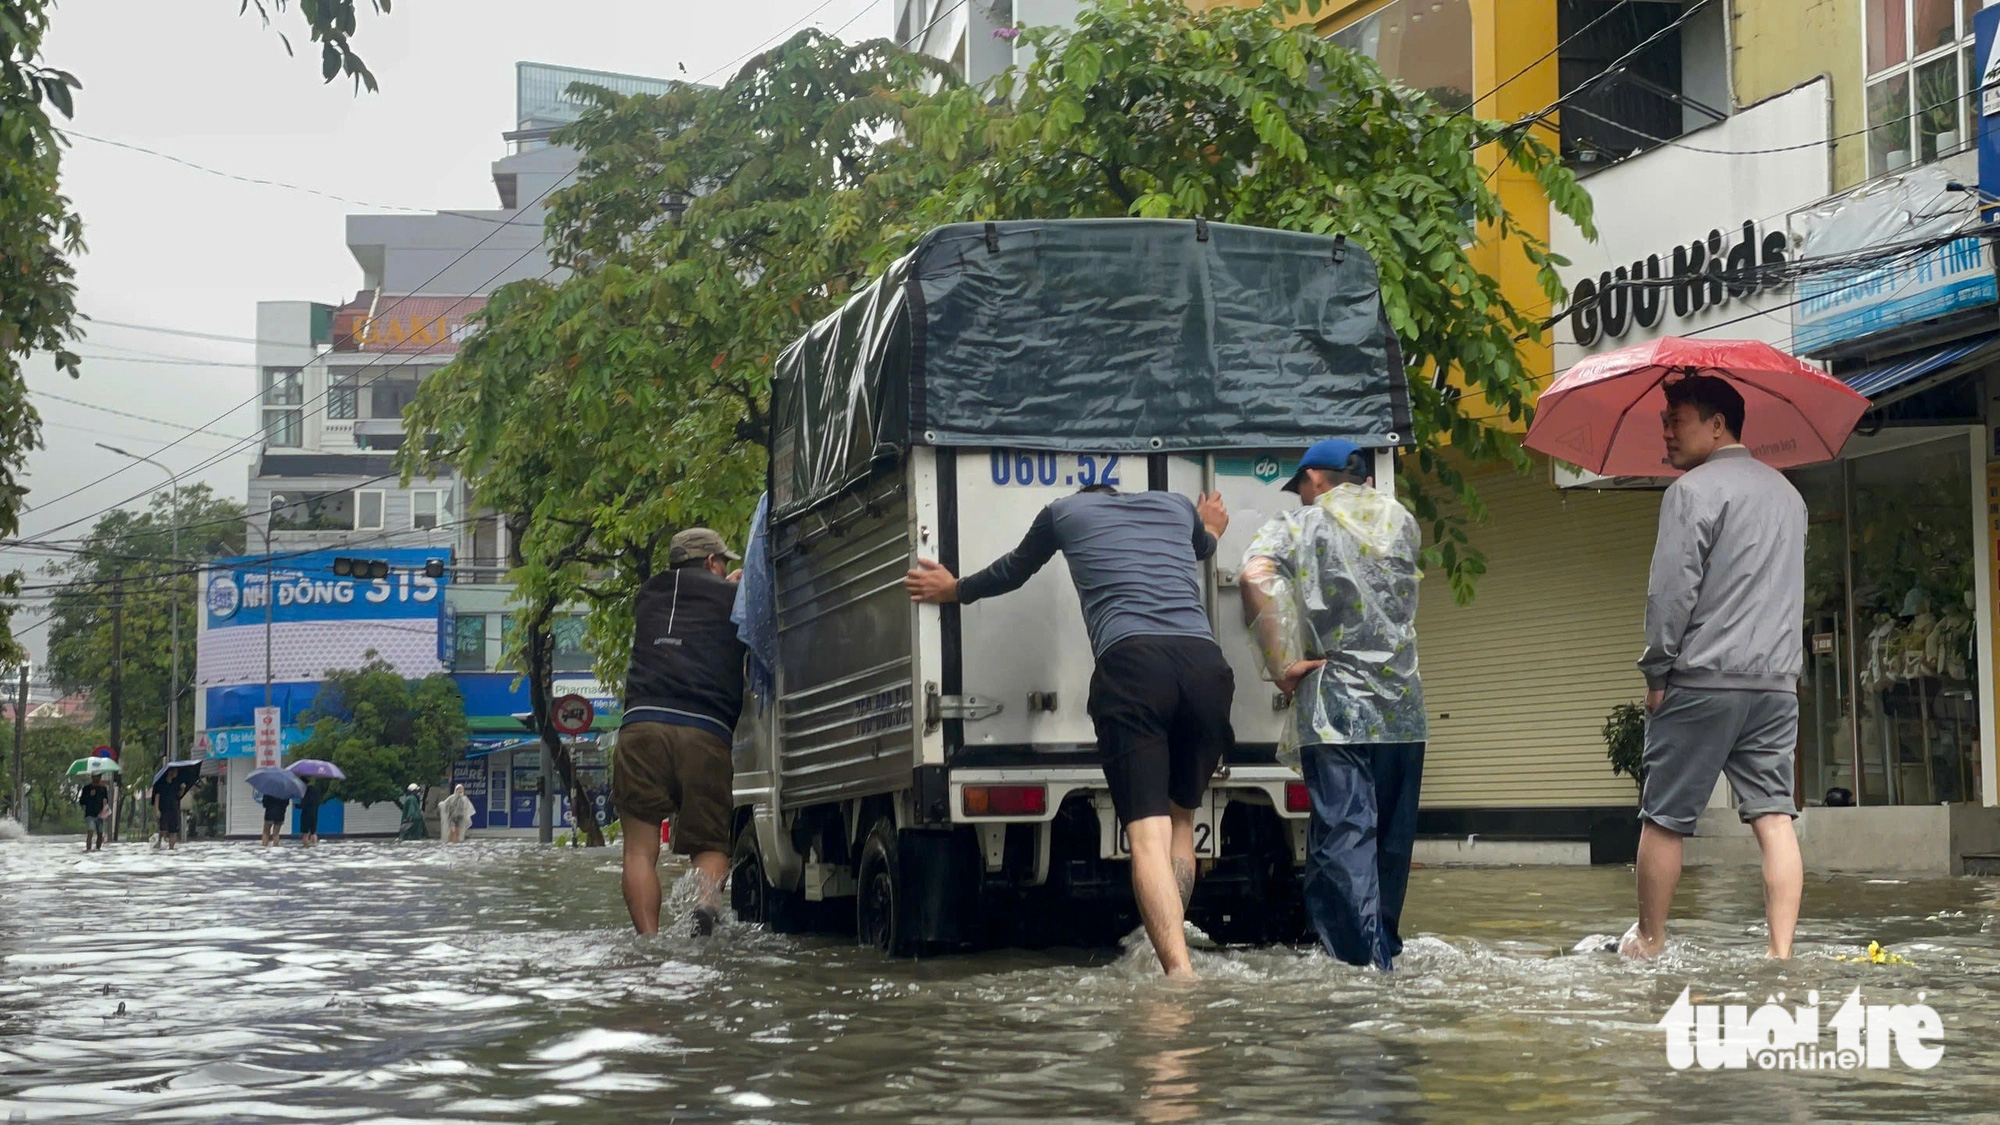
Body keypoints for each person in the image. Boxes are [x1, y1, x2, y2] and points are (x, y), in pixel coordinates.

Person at [906, 484, 1233, 980]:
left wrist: (955, 590)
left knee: (1147, 837)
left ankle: (1179, 973)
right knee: (1181, 821)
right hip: (1207, 668)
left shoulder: (1063, 512)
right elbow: (1205, 547)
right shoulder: (1175, 506)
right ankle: (1162, 944)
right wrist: (1210, 522)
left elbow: (1013, 570)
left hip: (1134, 666)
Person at [1622, 375, 1806, 961]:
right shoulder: (1790, 497)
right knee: (1775, 817)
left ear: (1718, 423)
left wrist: (1657, 674)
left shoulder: (1692, 492)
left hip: (1703, 680)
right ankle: (1781, 955)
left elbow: (1670, 594)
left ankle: (1649, 941)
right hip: (1776, 686)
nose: (1667, 432)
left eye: (1677, 419)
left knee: (1664, 818)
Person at [1240, 439, 1426, 971]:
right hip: (1403, 707)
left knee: (1345, 833)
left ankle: (1362, 966)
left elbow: (1255, 577)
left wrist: (1283, 664)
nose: (1300, 495)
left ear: (1316, 478)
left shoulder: (1301, 526)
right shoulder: (1402, 521)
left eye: (1301, 484)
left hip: (1337, 703)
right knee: (1390, 840)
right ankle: (1381, 947)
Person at [615, 527, 746, 937]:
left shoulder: (647, 595)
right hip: (703, 730)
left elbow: (685, 611)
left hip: (640, 728)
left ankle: (649, 942)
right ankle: (705, 906)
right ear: (712, 563)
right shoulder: (733, 598)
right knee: (710, 844)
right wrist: (741, 591)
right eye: (722, 560)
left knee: (638, 849)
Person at [152, 769, 186, 851]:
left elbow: (179, 795)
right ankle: (159, 839)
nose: (176, 773)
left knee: (173, 831)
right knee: (163, 829)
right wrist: (157, 810)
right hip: (164, 809)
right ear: (170, 772)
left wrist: (182, 789)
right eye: (175, 771)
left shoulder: (176, 783)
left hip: (174, 809)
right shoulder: (161, 784)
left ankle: (171, 849)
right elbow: (157, 797)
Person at [78, 777, 109, 852]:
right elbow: (82, 801)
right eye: (95, 776)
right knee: (90, 832)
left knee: (100, 833)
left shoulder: (103, 788)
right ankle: (88, 850)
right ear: (92, 777)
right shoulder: (87, 788)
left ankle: (98, 849)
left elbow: (106, 800)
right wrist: (90, 795)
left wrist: (105, 808)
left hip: (100, 814)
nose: (97, 778)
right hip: (89, 814)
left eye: (98, 775)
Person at [298, 780, 323, 848]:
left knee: (305, 833)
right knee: (313, 832)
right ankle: (314, 845)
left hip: (306, 814)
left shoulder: (304, 792)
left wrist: (296, 805)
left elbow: (303, 805)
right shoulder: (315, 791)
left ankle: (305, 846)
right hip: (314, 813)